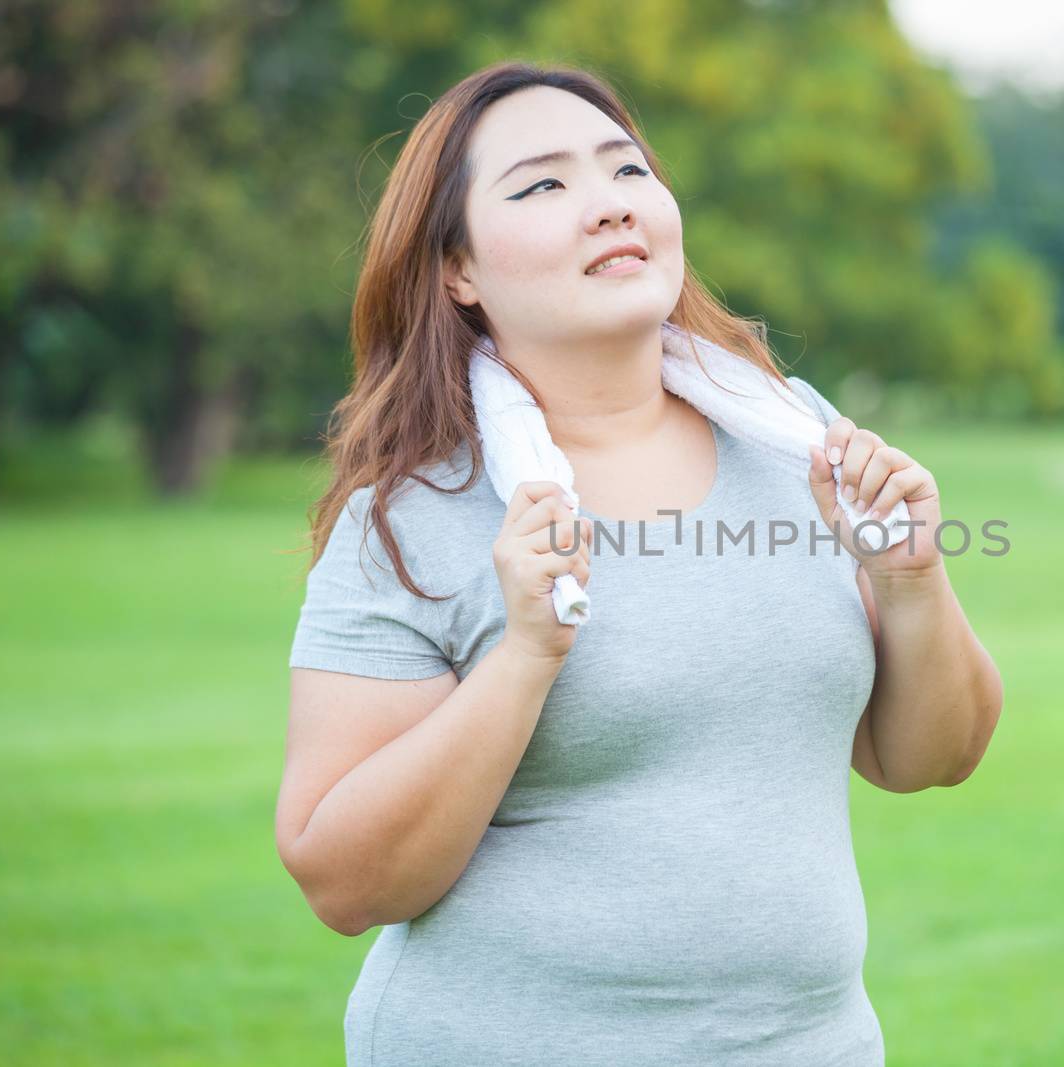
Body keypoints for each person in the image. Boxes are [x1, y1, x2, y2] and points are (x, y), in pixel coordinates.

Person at [274, 60, 1003, 1067]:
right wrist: (526, 653)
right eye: (542, 186)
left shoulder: (799, 442)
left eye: (626, 170)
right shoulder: (411, 517)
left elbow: (929, 756)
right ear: (458, 269)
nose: (606, 205)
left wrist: (912, 579)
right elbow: (343, 881)